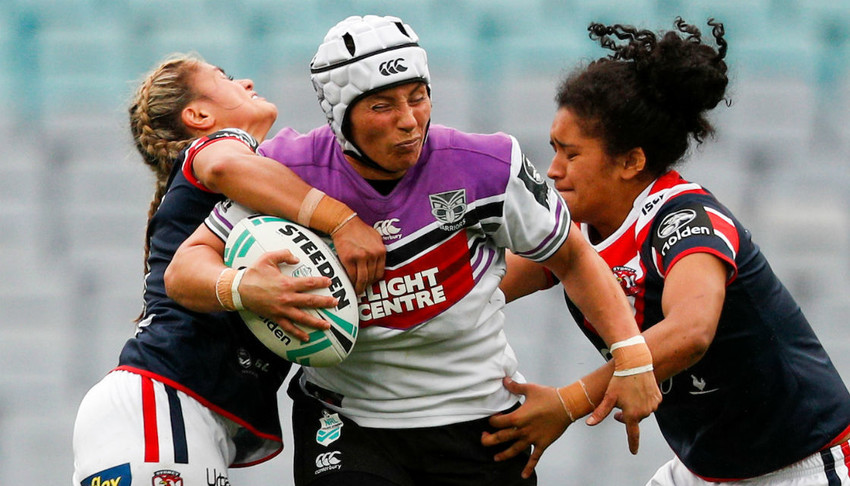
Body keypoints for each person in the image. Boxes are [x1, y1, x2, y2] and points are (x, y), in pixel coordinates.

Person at [165, 15, 660, 485]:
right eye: (383, 106)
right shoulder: (287, 171)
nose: (409, 121)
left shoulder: (488, 165)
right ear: (340, 115)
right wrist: (244, 286)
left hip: (480, 419)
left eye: (418, 97)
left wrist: (633, 355)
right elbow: (184, 271)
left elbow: (571, 257)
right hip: (346, 421)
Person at [482, 18, 850, 485]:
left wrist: (568, 402)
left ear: (631, 161)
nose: (553, 171)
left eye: (571, 155)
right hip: (704, 472)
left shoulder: (685, 220)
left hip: (801, 466)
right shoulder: (571, 233)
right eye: (554, 150)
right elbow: (479, 285)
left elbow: (691, 330)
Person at [72, 53, 386, 485]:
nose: (249, 80)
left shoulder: (256, 181)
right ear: (198, 115)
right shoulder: (216, 148)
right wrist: (341, 220)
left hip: (164, 407)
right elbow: (223, 164)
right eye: (227, 77)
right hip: (163, 400)